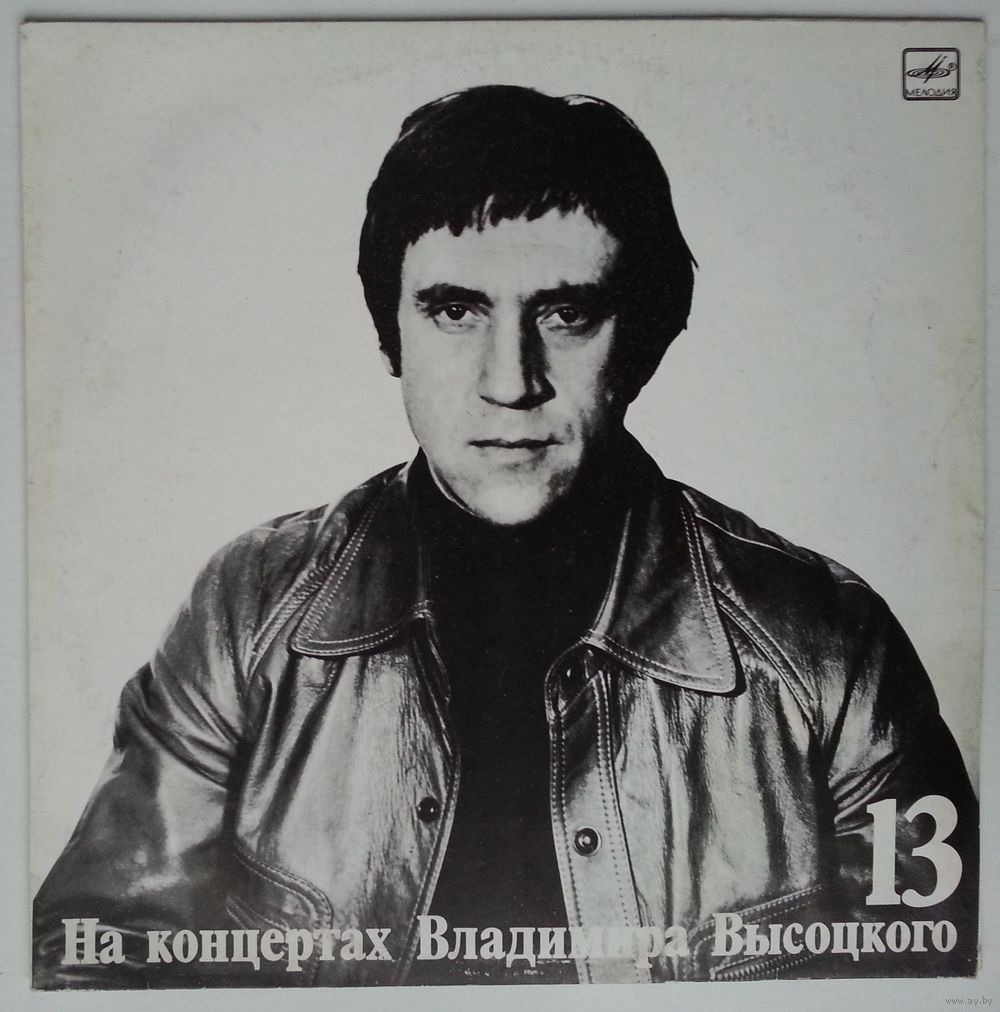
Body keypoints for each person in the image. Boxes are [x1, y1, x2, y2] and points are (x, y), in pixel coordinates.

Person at [33, 85, 978, 989]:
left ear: (641, 337)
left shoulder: (829, 647)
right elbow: (94, 956)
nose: (509, 381)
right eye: (455, 310)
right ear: (392, 332)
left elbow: (936, 981)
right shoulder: (249, 608)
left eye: (567, 313)